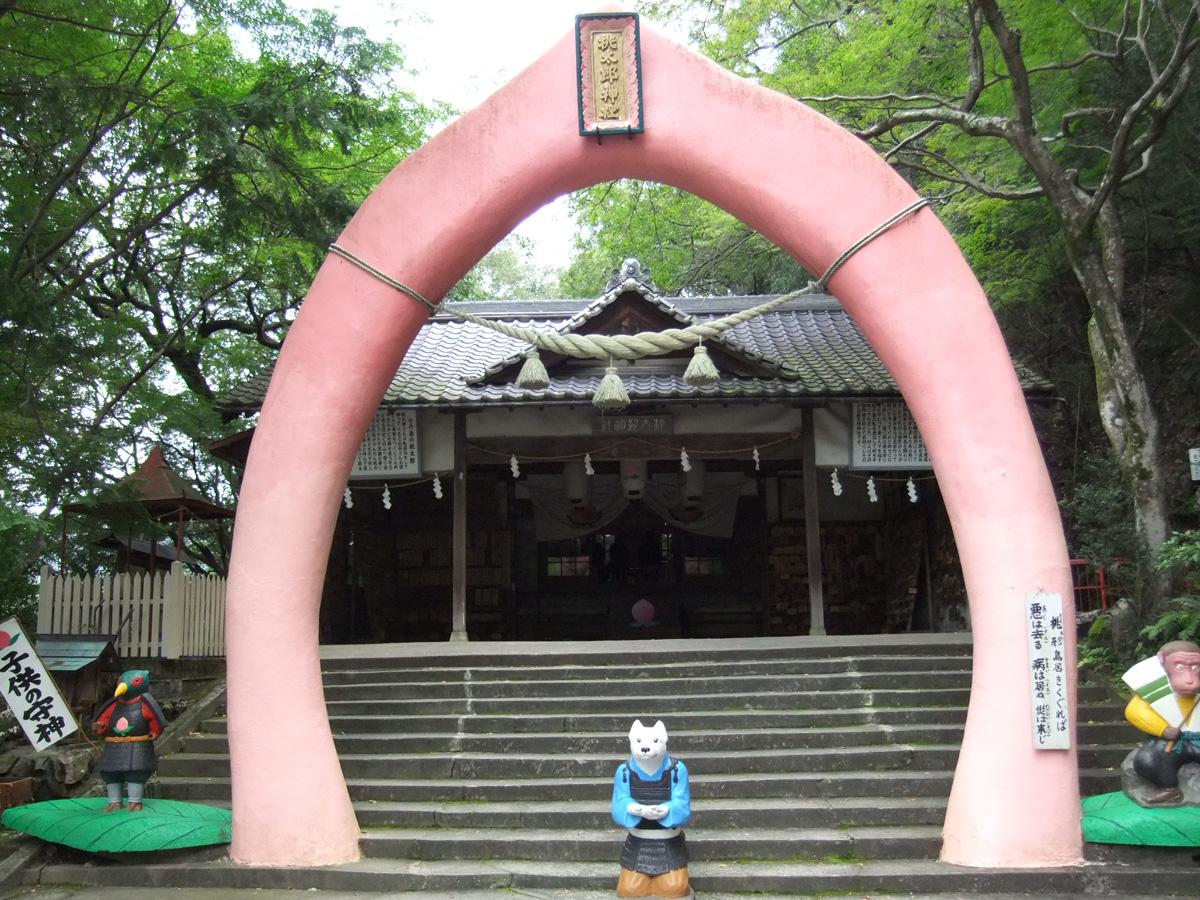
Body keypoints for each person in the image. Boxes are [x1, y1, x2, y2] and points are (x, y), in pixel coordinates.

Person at [1126, 640, 1200, 805]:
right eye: (1180, 667)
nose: (1189, 679)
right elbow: (1135, 712)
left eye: (1195, 668)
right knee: (1150, 757)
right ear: (1162, 663)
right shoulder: (1155, 694)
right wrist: (1163, 730)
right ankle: (1169, 789)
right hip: (1173, 742)